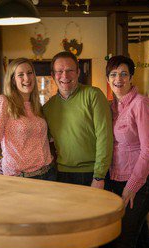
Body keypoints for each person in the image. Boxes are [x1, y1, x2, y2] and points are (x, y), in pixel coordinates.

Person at [99, 55, 149, 248]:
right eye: (114, 74)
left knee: (123, 245)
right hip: (117, 179)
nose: (119, 79)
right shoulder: (112, 107)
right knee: (140, 240)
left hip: (141, 183)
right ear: (108, 79)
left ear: (131, 77)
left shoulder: (141, 104)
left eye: (124, 74)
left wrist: (130, 187)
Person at [43, 51, 113, 188]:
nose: (65, 76)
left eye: (70, 70)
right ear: (52, 75)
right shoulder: (47, 108)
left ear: (78, 72)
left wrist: (99, 176)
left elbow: (104, 137)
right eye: (60, 71)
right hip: (62, 174)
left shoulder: (93, 95)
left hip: (93, 173)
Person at [0, 58, 55, 181]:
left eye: (30, 73)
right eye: (21, 75)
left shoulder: (36, 104)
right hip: (20, 178)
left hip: (48, 173)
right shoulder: (3, 102)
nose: (27, 78)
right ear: (13, 79)